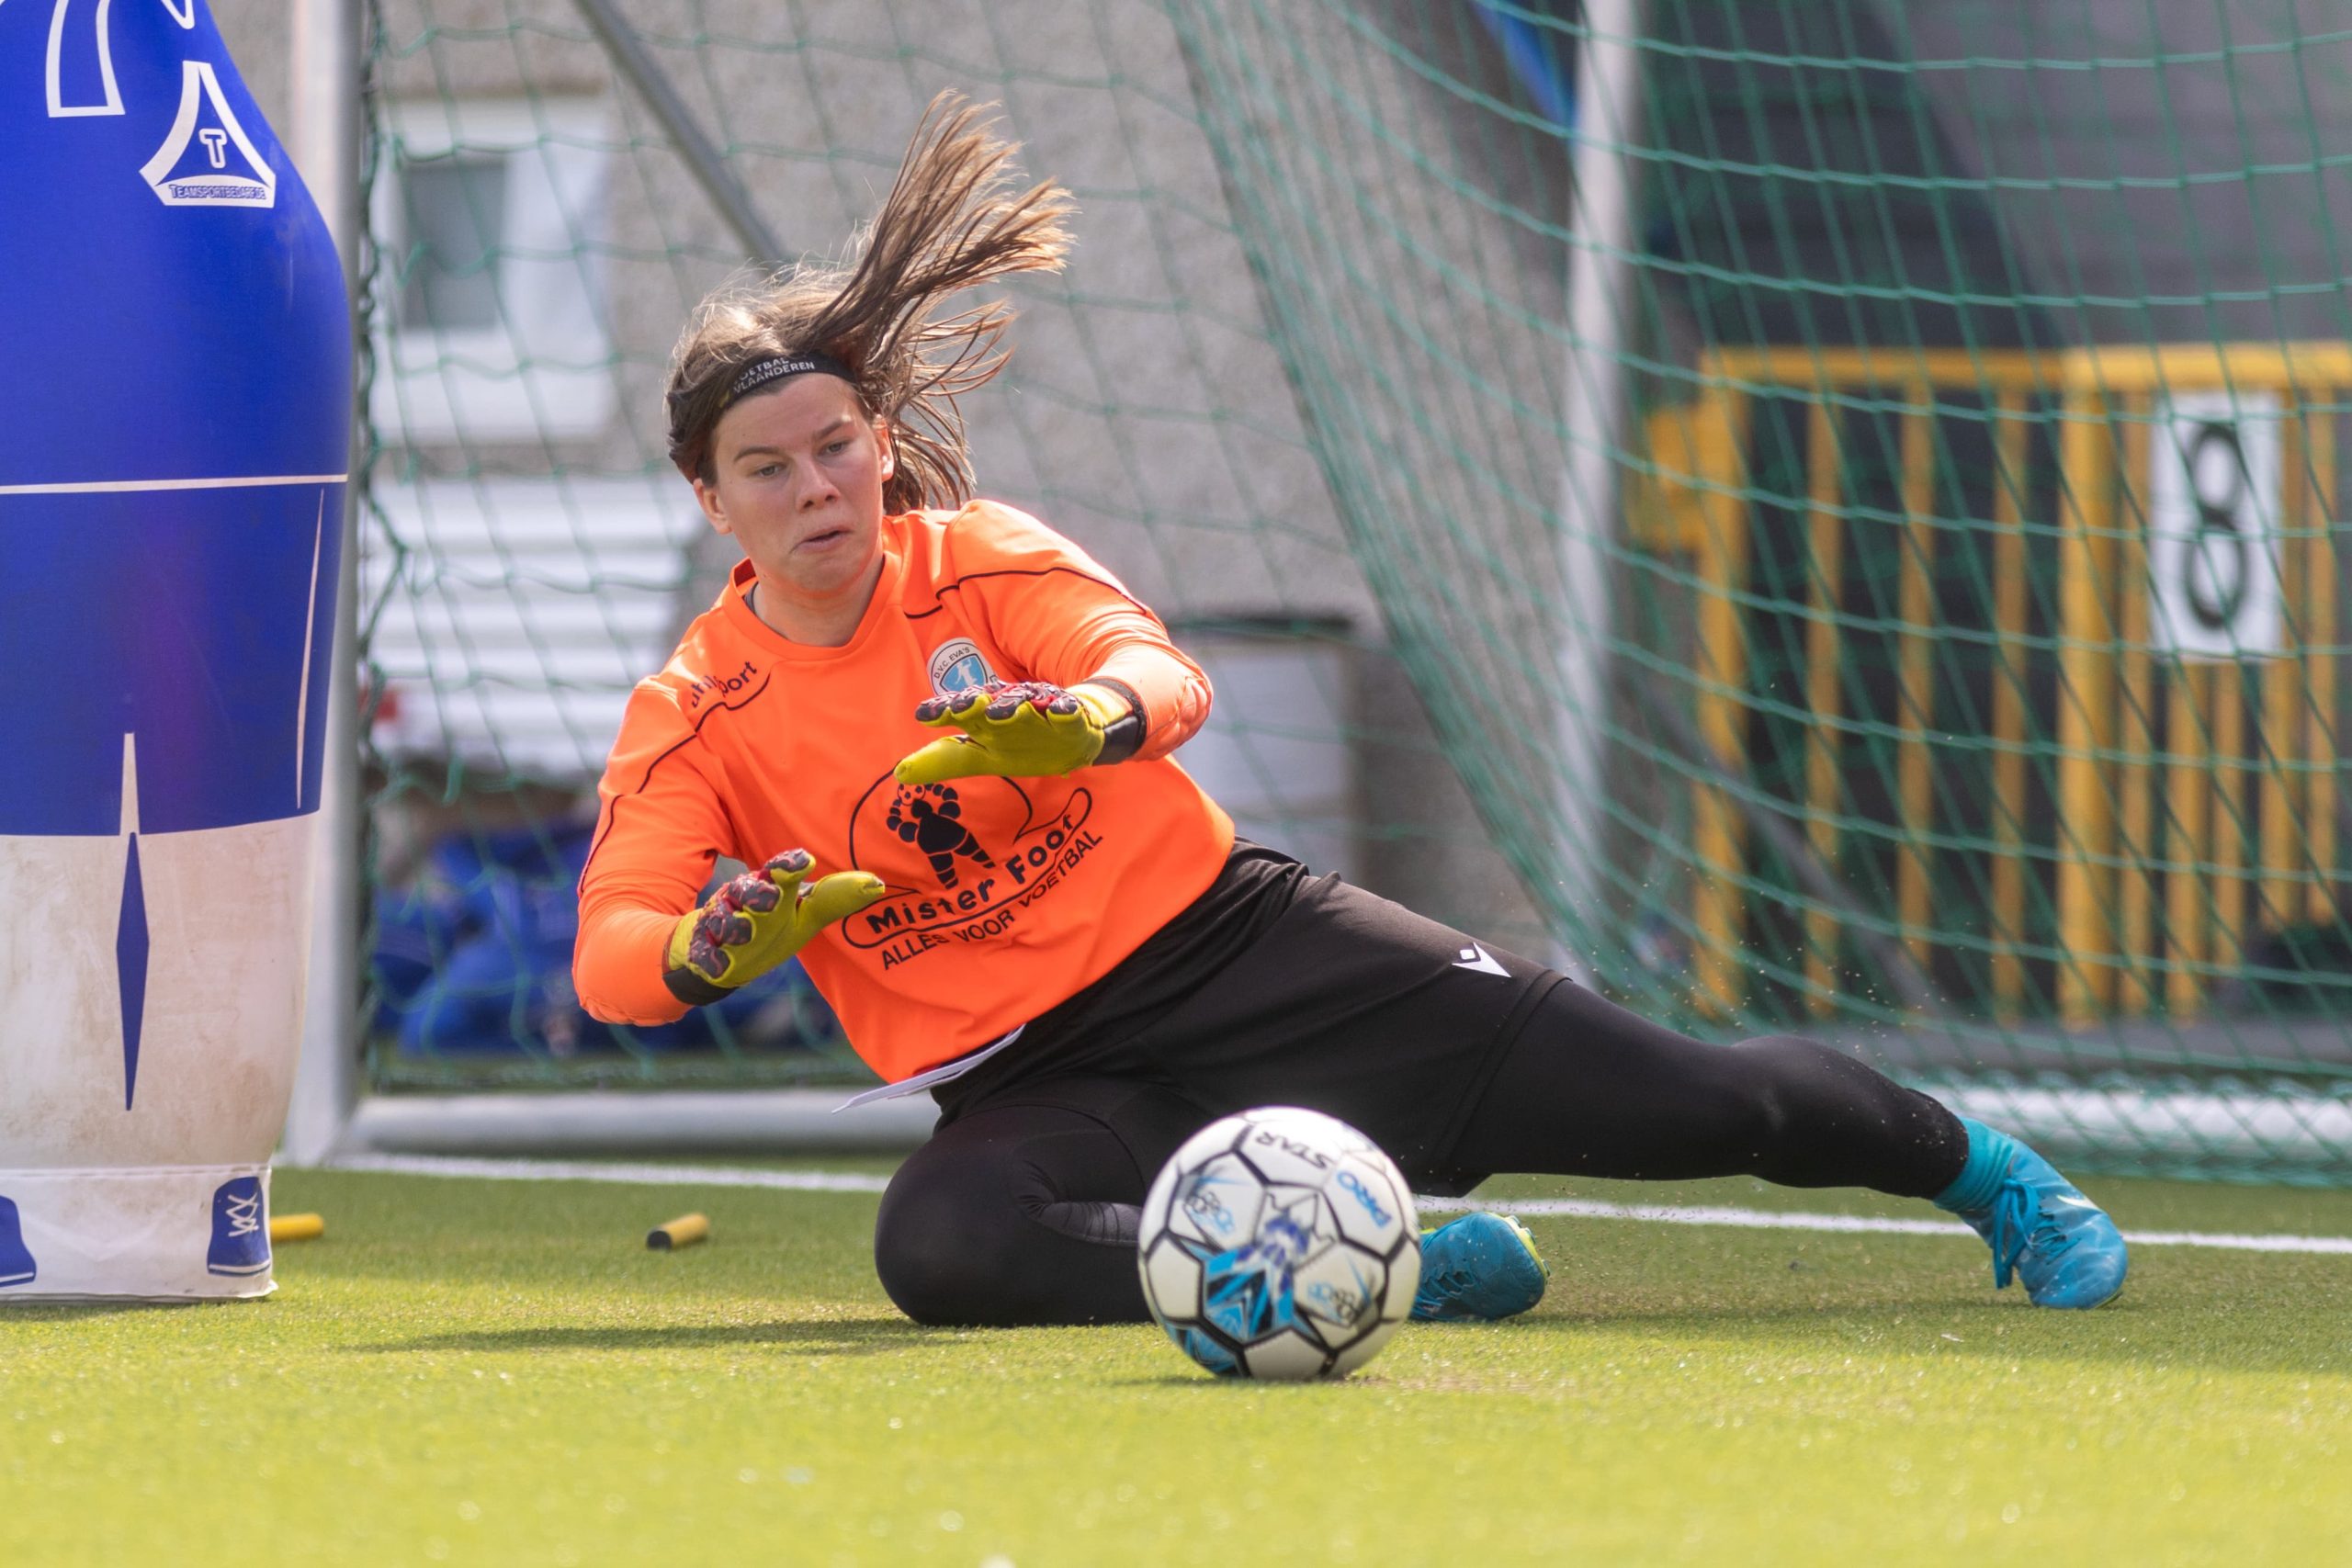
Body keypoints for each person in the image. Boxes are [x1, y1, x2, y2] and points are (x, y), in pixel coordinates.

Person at [574, 96, 2129, 1327]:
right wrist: (711, 947)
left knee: (1702, 1105)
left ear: (878, 443)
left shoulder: (976, 559)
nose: (816, 486)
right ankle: (1388, 1273)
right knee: (946, 1245)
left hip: (1248, 958)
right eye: (767, 468)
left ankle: (1988, 1175)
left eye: (836, 445)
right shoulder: (694, 709)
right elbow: (614, 955)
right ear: (713, 501)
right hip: (1039, 1081)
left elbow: (1155, 672)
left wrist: (1091, 723)